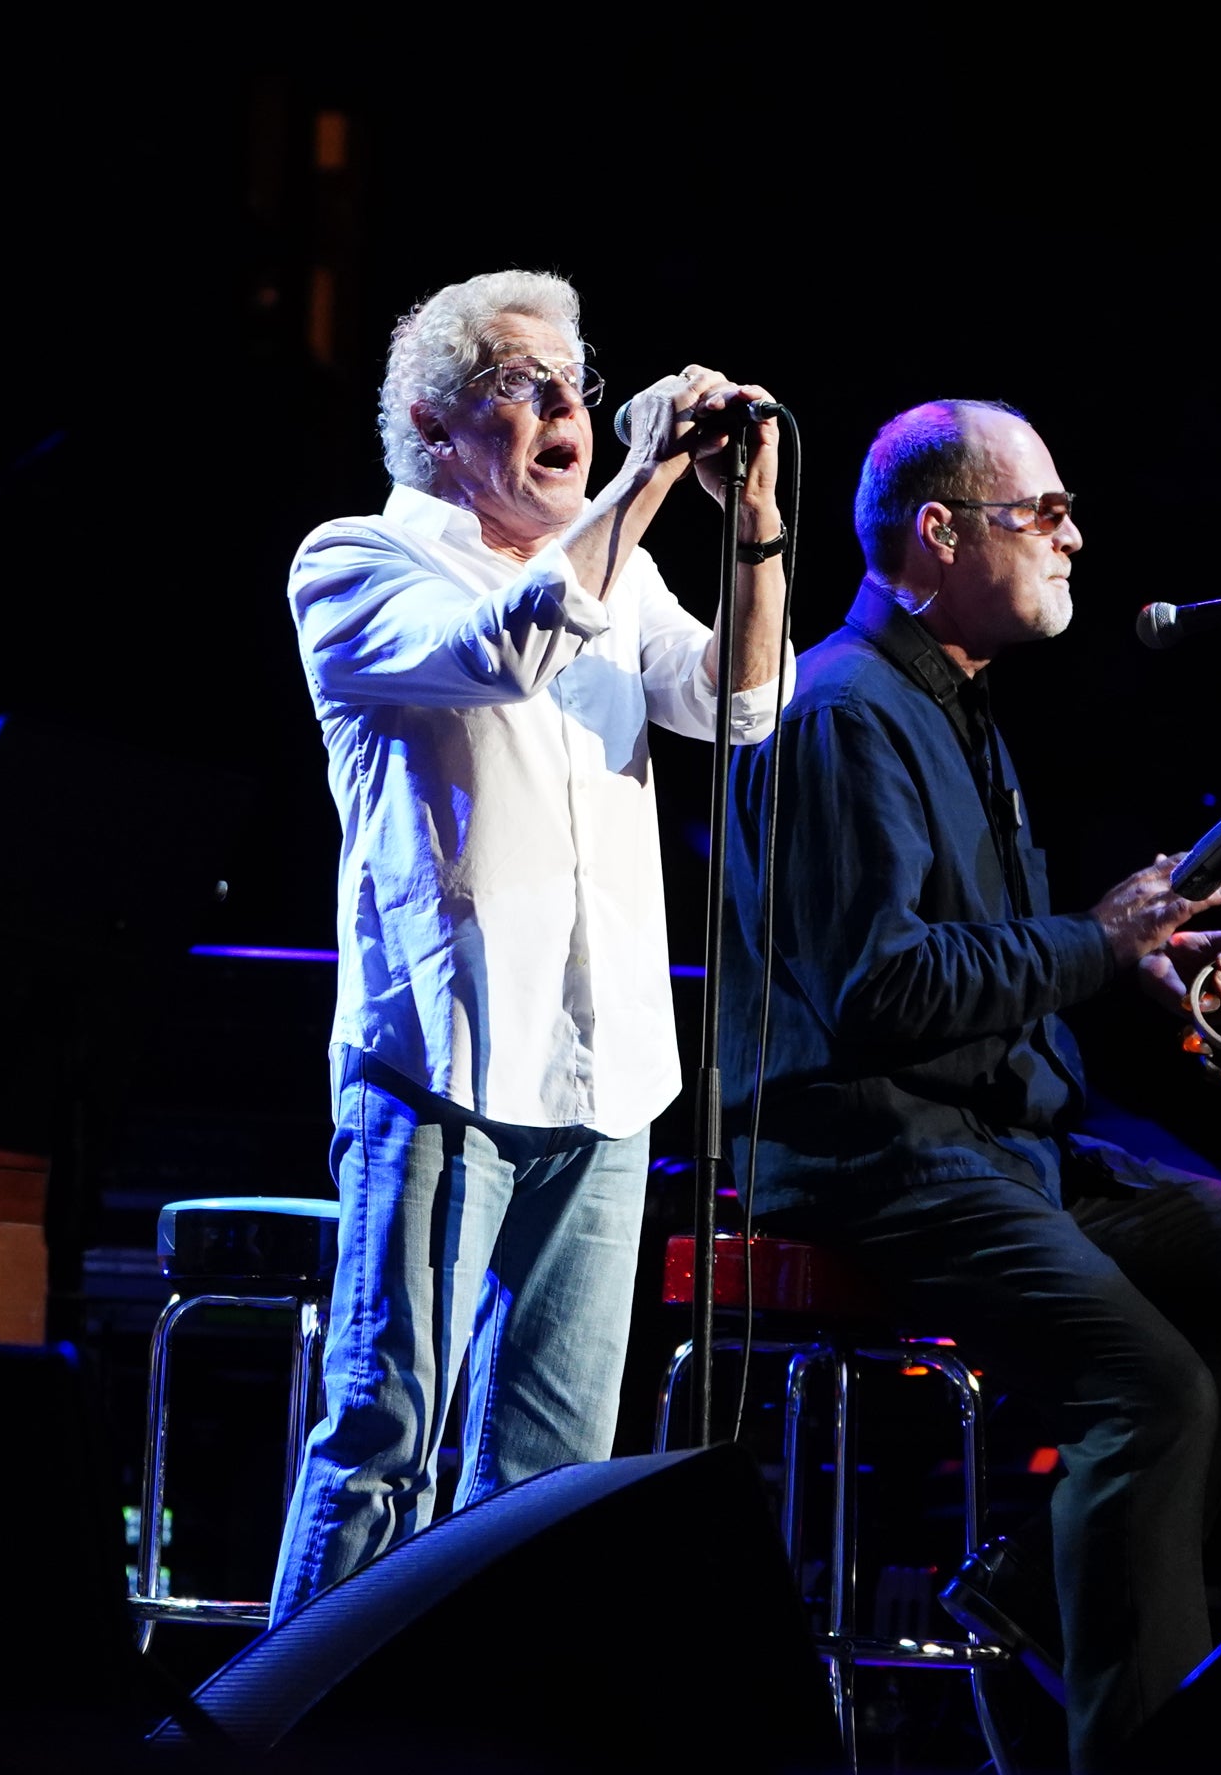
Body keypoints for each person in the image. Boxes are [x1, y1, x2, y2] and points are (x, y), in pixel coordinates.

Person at [715, 398, 1221, 1768]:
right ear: (934, 537)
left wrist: (1140, 958)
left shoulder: (956, 701)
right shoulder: (843, 713)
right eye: (1037, 512)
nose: (1073, 535)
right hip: (882, 1157)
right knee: (1150, 1394)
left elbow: (989, 955)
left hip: (1007, 1138)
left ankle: (1051, 1571)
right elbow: (883, 990)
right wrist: (1093, 939)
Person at [269, 269, 790, 1617]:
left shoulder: (626, 562)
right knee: (385, 1444)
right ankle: (284, 1738)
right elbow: (511, 649)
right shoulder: (353, 562)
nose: (569, 405)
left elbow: (734, 706)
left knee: (557, 1471)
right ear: (435, 425)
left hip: (609, 1077)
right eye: (524, 384)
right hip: (445, 1067)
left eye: (576, 379)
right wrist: (643, 483)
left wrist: (759, 529)